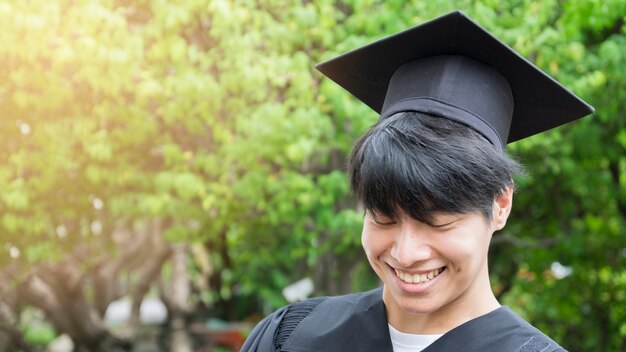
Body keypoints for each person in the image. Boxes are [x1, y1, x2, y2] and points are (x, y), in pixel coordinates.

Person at [241, 10, 594, 352]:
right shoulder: (291, 336)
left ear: (500, 205)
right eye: (384, 217)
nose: (406, 253)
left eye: (437, 221)